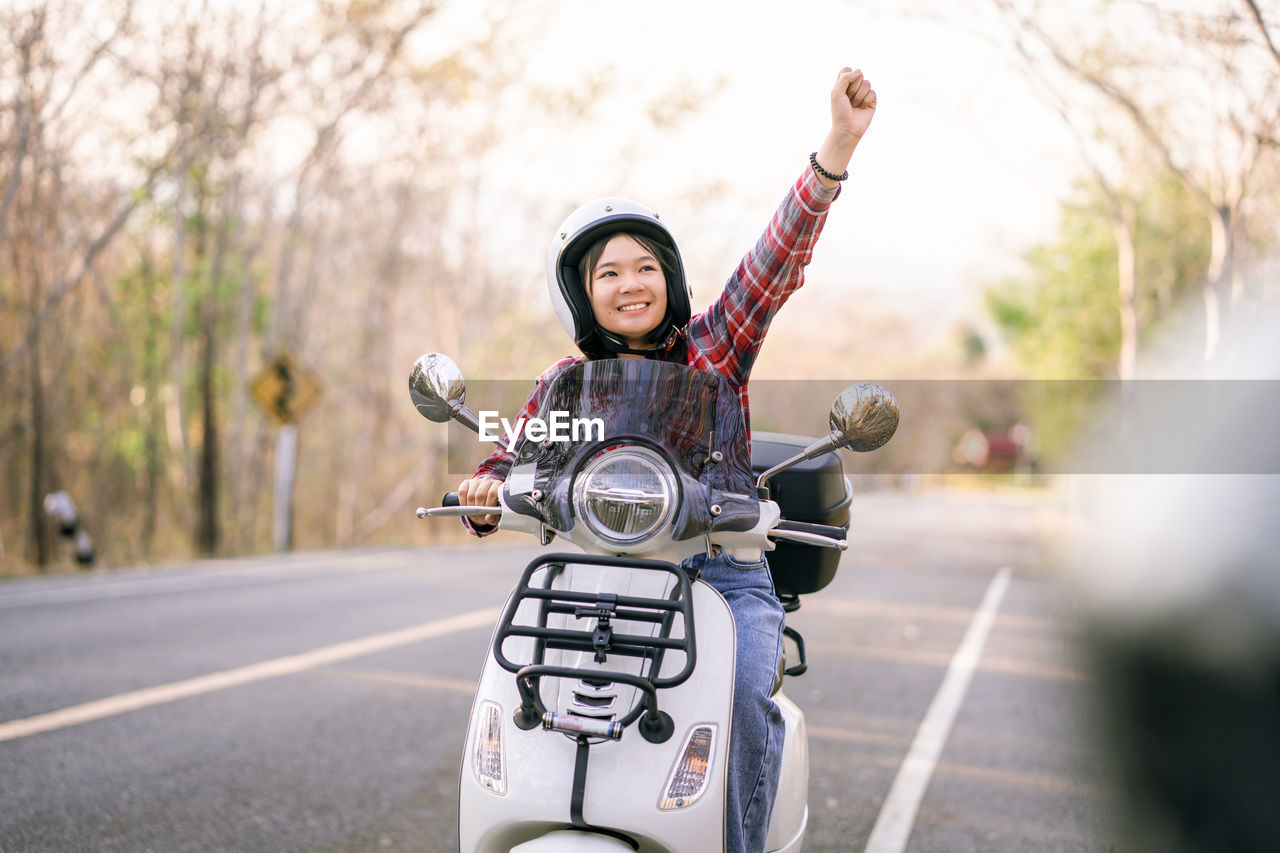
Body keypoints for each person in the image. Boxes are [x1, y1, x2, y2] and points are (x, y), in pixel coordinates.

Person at [457, 66, 877, 853]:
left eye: (643, 266)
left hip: (722, 574)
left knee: (749, 687)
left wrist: (836, 148)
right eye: (608, 273)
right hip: (594, 578)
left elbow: (775, 261)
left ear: (669, 277)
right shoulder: (564, 384)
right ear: (584, 296)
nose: (629, 283)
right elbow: (514, 451)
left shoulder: (716, 348)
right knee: (523, 690)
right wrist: (487, 484)